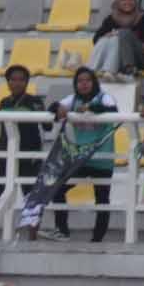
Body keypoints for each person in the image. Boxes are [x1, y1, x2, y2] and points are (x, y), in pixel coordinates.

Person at [45, 68, 119, 243]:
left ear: (94, 82)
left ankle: (97, 239)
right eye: (80, 81)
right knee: (58, 188)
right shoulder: (73, 99)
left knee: (101, 199)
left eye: (87, 80)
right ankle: (62, 230)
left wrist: (91, 107)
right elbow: (52, 106)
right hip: (82, 159)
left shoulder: (104, 97)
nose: (83, 84)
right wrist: (58, 108)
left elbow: (114, 110)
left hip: (102, 159)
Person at [0, 65, 49, 204]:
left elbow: (48, 126)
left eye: (21, 80)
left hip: (28, 157)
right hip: (6, 156)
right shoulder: (4, 102)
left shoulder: (35, 101)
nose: (16, 83)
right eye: (13, 79)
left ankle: (29, 226)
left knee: (31, 201)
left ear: (27, 82)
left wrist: (40, 111)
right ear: (8, 82)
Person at [89, 0, 144, 77]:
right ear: (117, 2)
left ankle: (129, 68)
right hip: (117, 60)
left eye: (131, 0)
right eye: (123, 0)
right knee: (111, 39)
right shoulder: (110, 20)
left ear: (135, 2)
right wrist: (108, 35)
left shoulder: (143, 20)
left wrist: (134, 43)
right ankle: (103, 70)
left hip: (139, 59)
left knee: (123, 33)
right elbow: (96, 40)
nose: (128, 2)